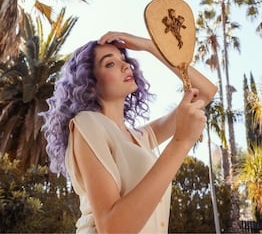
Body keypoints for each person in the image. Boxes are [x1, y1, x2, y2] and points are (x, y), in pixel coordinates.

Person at [42, 31, 217, 233]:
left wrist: (151, 46)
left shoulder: (141, 137)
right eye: (110, 64)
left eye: (123, 59)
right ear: (89, 85)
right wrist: (181, 143)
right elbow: (112, 228)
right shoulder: (87, 124)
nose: (126, 66)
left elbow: (205, 92)